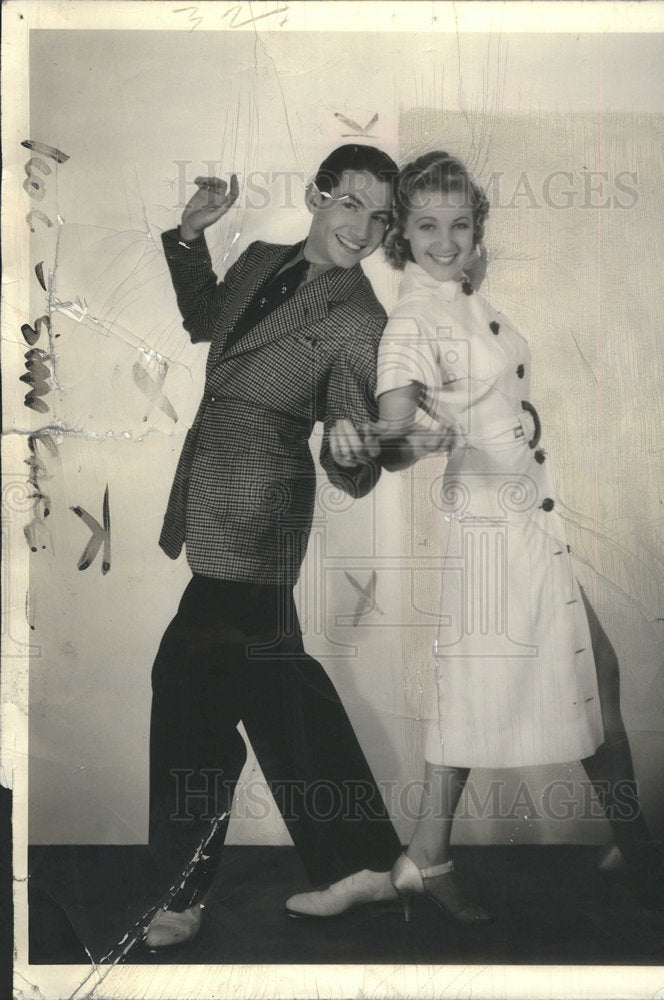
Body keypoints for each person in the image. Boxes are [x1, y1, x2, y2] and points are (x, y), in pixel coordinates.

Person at [366, 150, 664, 921]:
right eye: (427, 225)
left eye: (460, 223)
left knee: (555, 677)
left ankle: (429, 856)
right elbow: (394, 432)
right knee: (540, 680)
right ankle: (623, 848)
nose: (446, 240)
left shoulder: (460, 296)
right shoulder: (412, 317)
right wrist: (416, 444)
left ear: (477, 229)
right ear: (402, 232)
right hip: (491, 531)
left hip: (525, 518)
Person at [143, 144, 404, 948]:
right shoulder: (258, 257)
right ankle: (361, 860)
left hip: (261, 508)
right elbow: (205, 325)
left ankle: (182, 893)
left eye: (380, 214)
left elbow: (352, 446)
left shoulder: (361, 319)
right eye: (351, 203)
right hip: (209, 484)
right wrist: (192, 240)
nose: (363, 227)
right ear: (317, 195)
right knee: (273, 682)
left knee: (188, 681)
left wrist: (356, 456)